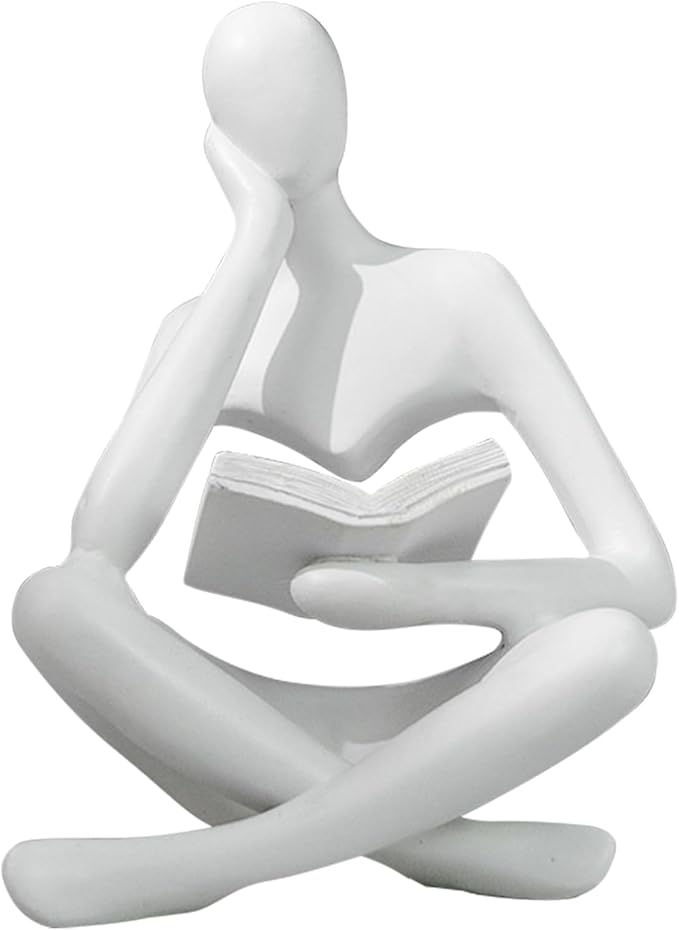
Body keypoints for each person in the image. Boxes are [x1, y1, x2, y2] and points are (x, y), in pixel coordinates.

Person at [5, 3, 674, 926]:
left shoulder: (461, 290)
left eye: (294, 88)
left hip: (459, 716)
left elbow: (642, 580)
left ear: (345, 104)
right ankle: (433, 849)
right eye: (240, 101)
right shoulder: (198, 327)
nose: (274, 118)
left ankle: (217, 860)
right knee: (52, 602)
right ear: (214, 133)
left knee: (613, 648)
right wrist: (251, 249)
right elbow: (97, 551)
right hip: (220, 713)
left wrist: (405, 594)